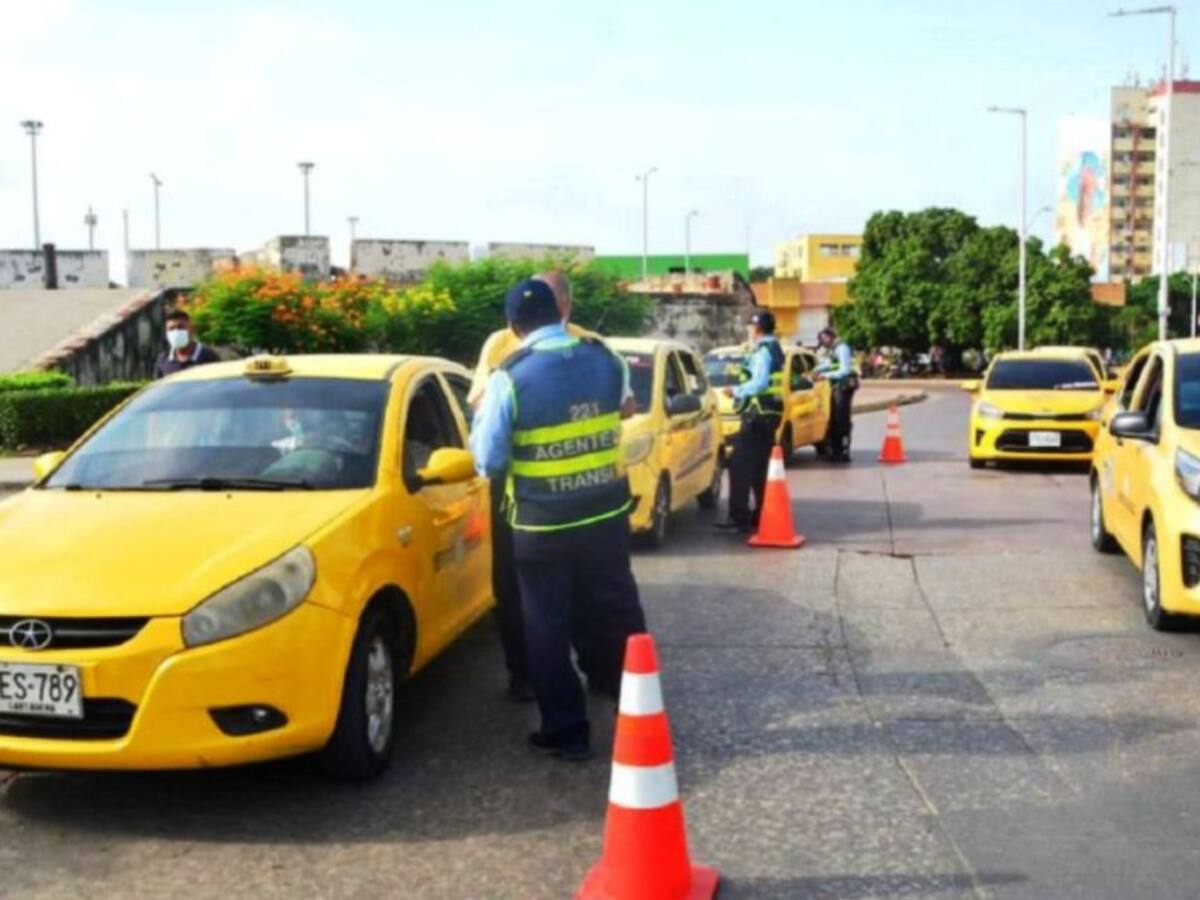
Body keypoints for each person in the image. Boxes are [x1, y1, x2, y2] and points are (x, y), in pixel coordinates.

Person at [469, 278, 646, 761]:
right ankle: (636, 699)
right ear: (562, 311)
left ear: (513, 326)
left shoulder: (510, 375)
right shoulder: (605, 358)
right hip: (606, 513)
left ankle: (567, 733)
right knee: (617, 606)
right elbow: (626, 407)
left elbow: (487, 458)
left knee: (545, 625)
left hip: (541, 524)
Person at [713, 309, 785, 534]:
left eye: (751, 327)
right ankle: (761, 514)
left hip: (757, 415)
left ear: (758, 328)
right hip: (767, 415)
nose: (750, 331)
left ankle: (738, 517)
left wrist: (735, 390)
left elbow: (760, 383)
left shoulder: (763, 351)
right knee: (760, 468)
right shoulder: (774, 348)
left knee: (739, 465)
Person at [813, 326, 858, 463]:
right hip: (836, 387)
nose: (823, 342)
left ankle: (844, 450)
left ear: (830, 336)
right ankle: (835, 449)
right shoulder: (834, 349)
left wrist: (825, 376)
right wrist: (815, 370)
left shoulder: (842, 348)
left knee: (841, 418)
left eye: (824, 338)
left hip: (844, 387)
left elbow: (844, 370)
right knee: (833, 418)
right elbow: (829, 363)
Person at [154, 308, 219, 379]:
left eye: (180, 327)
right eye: (171, 329)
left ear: (192, 329)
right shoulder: (163, 359)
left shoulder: (208, 357)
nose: (176, 332)